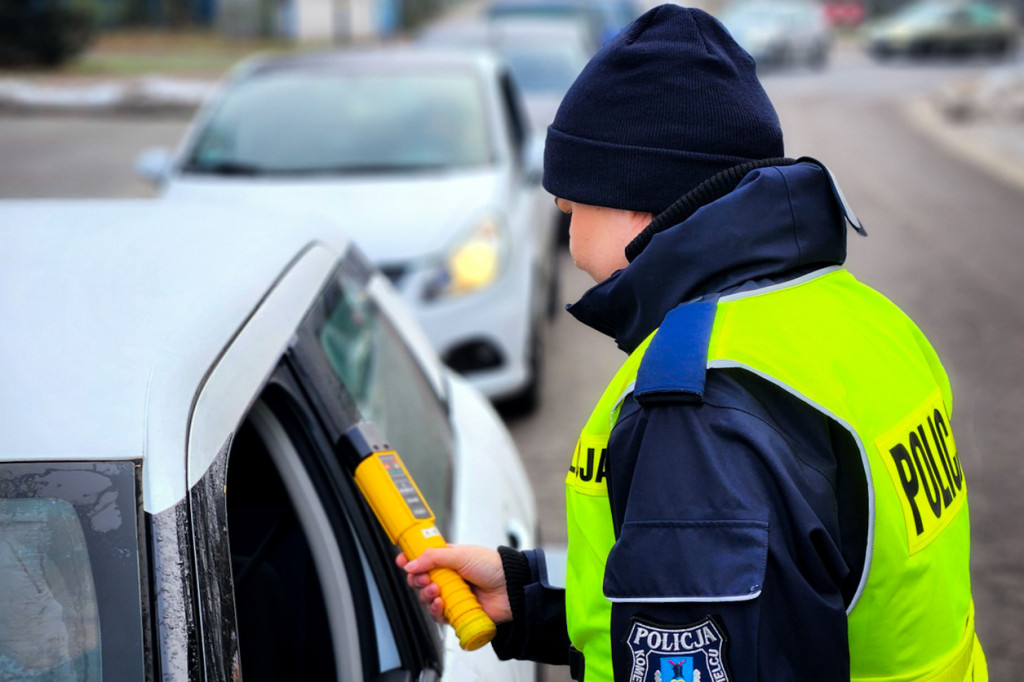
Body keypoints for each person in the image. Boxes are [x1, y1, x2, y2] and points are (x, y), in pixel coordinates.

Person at [399, 5, 987, 681]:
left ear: (635, 199)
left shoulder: (698, 407)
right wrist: (533, 602)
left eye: (572, 198)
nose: (562, 218)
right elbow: (773, 610)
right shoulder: (868, 320)